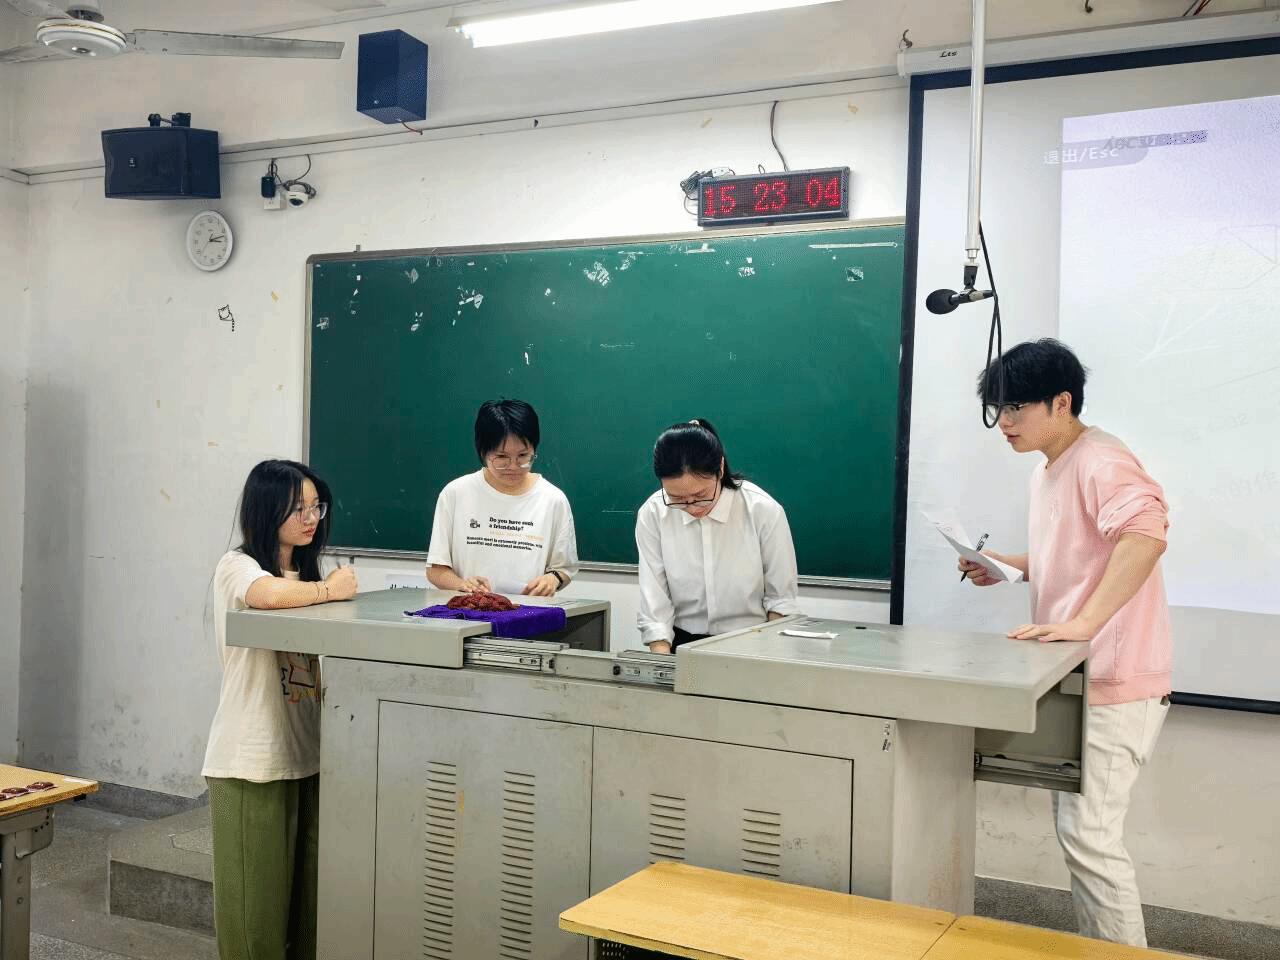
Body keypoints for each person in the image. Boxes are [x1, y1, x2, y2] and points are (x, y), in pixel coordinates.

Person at [960, 339, 1171, 947]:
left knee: (1091, 840)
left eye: (1015, 408)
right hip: (1079, 678)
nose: (1004, 422)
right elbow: (1082, 558)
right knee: (1083, 838)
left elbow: (1146, 533)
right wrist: (1009, 567)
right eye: (998, 409)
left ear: (1061, 402)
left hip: (1115, 678)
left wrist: (1085, 623)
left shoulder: (1101, 459)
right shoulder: (1049, 468)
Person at [201, 459, 358, 960]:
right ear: (268, 510)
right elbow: (264, 595)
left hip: (307, 759)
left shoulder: (307, 573)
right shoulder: (239, 565)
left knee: (309, 918)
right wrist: (330, 591)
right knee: (256, 924)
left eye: (316, 507)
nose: (311, 518)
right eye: (298, 508)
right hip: (252, 762)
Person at [636, 418, 801, 653]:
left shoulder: (762, 510)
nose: (692, 507)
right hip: (683, 644)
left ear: (720, 469)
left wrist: (772, 658)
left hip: (752, 643)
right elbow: (655, 606)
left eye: (701, 495)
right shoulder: (653, 513)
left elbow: (781, 601)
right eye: (677, 498)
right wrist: (661, 665)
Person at [426, 399, 578, 597]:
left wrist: (552, 579)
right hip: (469, 611)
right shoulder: (456, 493)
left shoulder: (552, 500)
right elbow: (436, 570)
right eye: (501, 458)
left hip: (529, 611)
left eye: (523, 456)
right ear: (483, 452)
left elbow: (564, 569)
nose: (513, 467)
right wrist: (464, 585)